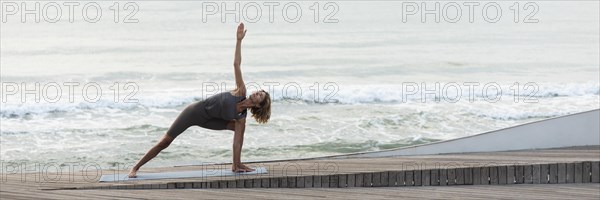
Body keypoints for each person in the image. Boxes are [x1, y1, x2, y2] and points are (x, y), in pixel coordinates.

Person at [128, 23, 272, 177]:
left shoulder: (241, 118)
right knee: (165, 141)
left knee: (239, 129)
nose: (257, 92)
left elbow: (237, 142)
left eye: (260, 96)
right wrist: (238, 41)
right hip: (195, 112)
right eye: (259, 91)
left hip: (210, 120)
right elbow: (236, 64)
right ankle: (135, 167)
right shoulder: (240, 91)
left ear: (258, 105)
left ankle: (236, 165)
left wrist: (237, 156)